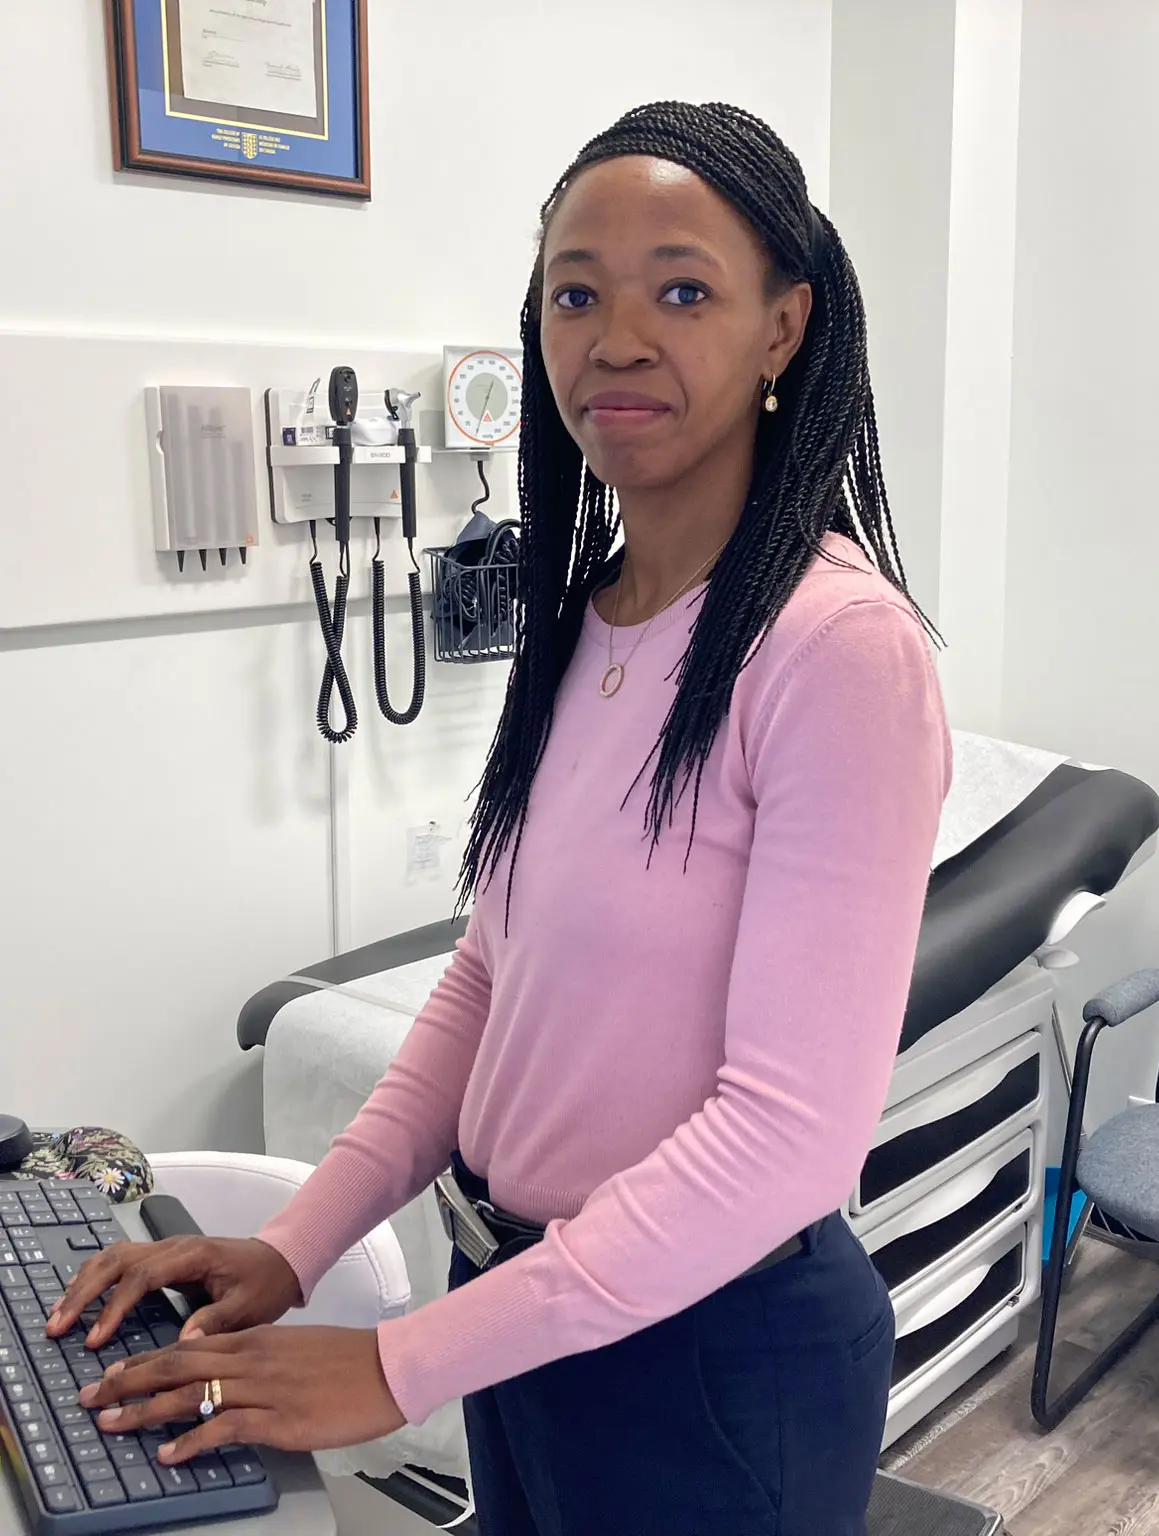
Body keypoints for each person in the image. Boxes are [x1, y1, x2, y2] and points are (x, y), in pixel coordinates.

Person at [48, 101, 951, 1535]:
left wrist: (395, 1369)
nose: (617, 336)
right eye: (574, 294)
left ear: (784, 327)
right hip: (532, 1322)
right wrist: (291, 1249)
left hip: (713, 1361)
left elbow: (787, 1136)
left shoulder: (836, 652)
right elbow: (489, 981)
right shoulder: (585, 625)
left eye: (683, 289)